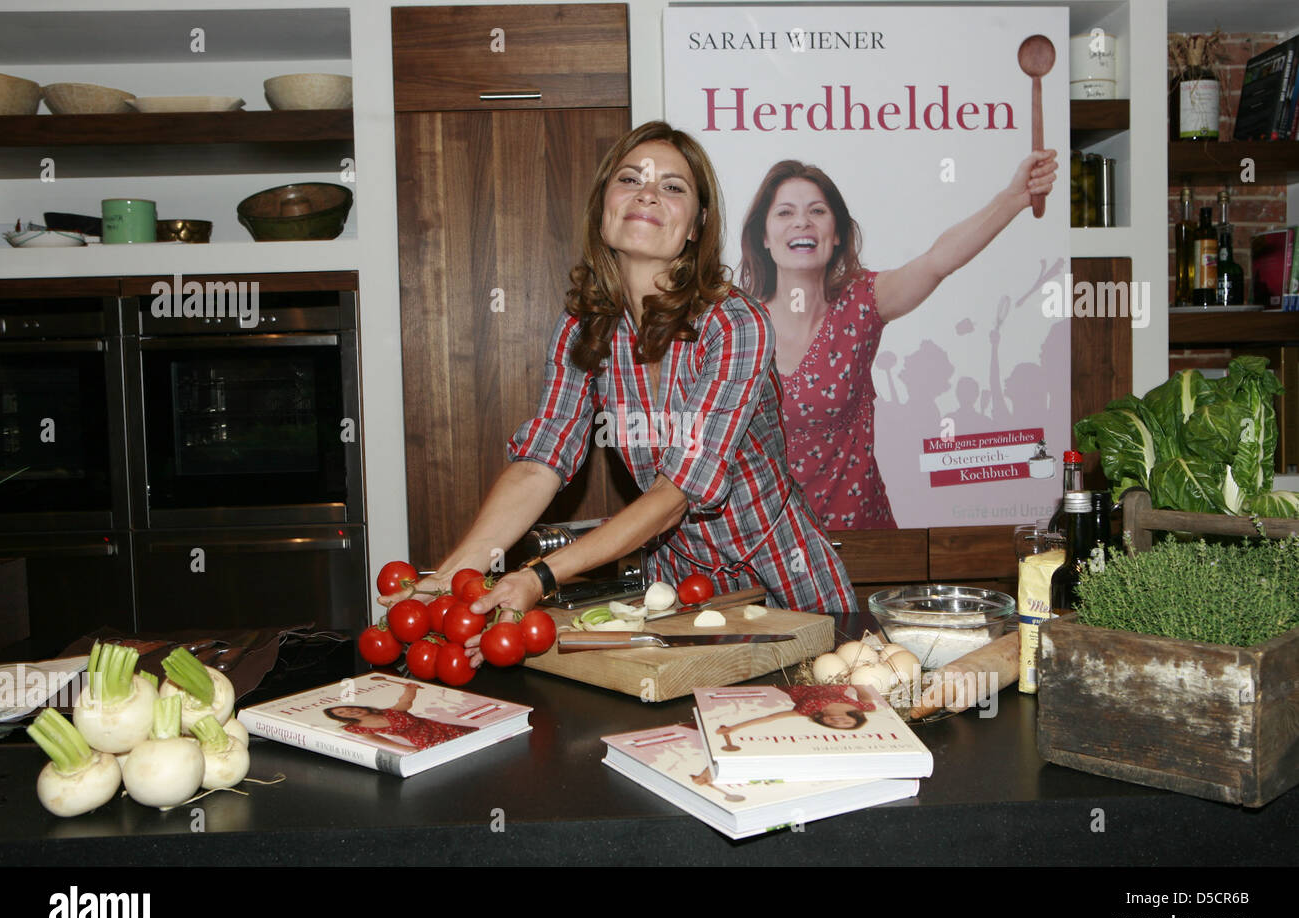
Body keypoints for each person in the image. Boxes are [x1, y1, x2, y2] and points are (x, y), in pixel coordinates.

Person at [384, 122, 856, 659]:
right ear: (604, 206)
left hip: (784, 577)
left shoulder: (735, 323)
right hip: (675, 593)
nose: (647, 193)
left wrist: (540, 576)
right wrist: (457, 572)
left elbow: (675, 494)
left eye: (673, 186)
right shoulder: (583, 328)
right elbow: (542, 461)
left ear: (697, 226)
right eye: (630, 179)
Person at [737, 151, 1058, 529]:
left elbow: (938, 260)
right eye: (785, 212)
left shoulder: (862, 303)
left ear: (837, 233)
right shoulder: (739, 325)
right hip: (765, 543)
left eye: (818, 211)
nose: (802, 222)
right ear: (764, 235)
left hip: (859, 543)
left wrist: (1014, 198)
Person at [323, 680, 477, 754]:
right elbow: (378, 740)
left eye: (349, 708)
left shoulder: (390, 712)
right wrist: (408, 749)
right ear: (341, 718)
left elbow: (406, 702)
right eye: (341, 713)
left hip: (441, 728)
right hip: (423, 741)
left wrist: (411, 689)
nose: (349, 711)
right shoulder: (354, 728)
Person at [717, 684, 877, 734]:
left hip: (791, 681)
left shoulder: (807, 709)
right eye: (846, 723)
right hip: (826, 676)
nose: (839, 721)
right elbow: (861, 687)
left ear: (825, 721)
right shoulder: (864, 707)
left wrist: (734, 728)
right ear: (855, 719)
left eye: (834, 724)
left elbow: (770, 718)